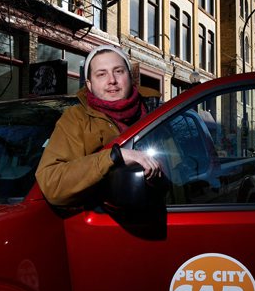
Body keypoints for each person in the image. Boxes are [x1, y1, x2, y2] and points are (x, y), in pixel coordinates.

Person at [35, 44, 162, 207]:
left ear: (130, 77)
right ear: (89, 84)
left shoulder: (156, 111)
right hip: (105, 224)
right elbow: (52, 182)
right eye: (101, 74)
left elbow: (178, 170)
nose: (112, 80)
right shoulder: (76, 119)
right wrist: (114, 157)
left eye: (118, 71)